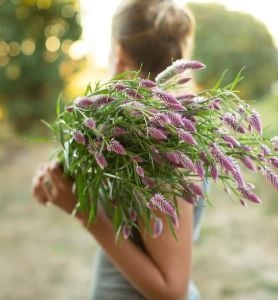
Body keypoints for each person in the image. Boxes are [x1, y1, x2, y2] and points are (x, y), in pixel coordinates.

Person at [32, 1, 206, 299]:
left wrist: (86, 213)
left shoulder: (161, 145)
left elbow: (171, 290)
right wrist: (59, 181)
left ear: (121, 56)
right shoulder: (135, 131)